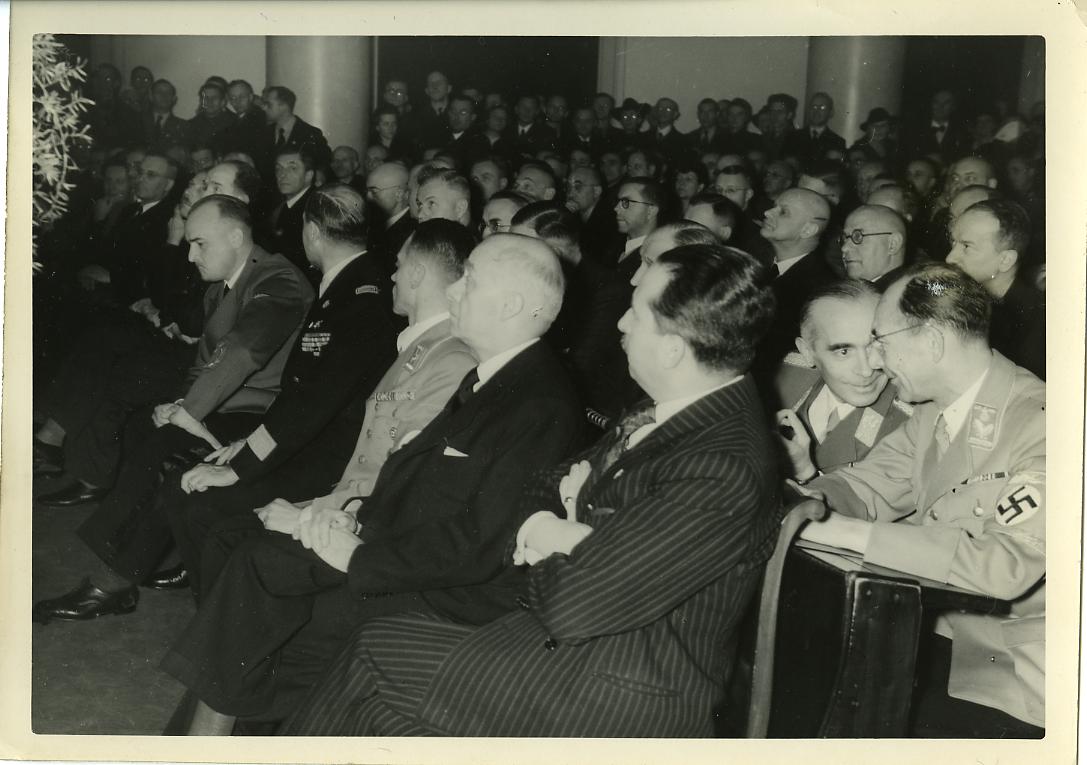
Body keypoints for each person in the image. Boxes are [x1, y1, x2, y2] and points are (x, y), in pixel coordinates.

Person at [283, 243, 781, 738]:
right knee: (377, 699)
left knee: (373, 654)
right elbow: (542, 482)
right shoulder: (674, 409)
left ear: (674, 349)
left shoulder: (720, 465)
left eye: (635, 313)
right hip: (571, 651)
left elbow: (575, 606)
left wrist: (552, 532)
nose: (622, 324)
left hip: (615, 690)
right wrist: (569, 532)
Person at [161, 233, 582, 733]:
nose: (452, 292)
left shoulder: (539, 404)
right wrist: (348, 517)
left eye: (470, 280)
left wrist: (357, 552)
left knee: (262, 588)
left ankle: (208, 738)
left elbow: (480, 544)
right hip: (404, 551)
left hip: (449, 592)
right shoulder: (492, 379)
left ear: (512, 305)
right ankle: (215, 735)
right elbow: (413, 479)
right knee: (258, 579)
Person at [33, 195, 314, 621]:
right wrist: (178, 402)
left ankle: (109, 585)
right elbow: (204, 360)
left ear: (236, 237)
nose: (190, 255)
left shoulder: (279, 280)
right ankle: (127, 571)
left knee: (162, 449)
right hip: (225, 403)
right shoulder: (224, 285)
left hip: (260, 415)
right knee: (151, 431)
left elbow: (241, 351)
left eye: (200, 244)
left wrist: (190, 410)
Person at [797, 262, 1045, 738]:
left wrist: (847, 532)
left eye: (882, 343)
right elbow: (866, 486)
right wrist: (805, 502)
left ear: (931, 342)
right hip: (935, 643)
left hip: (1013, 677)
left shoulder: (1040, 421)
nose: (875, 362)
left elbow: (1004, 566)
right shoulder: (934, 415)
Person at [167, 218, 476, 598]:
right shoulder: (412, 344)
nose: (391, 276)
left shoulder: (441, 354)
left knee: (225, 532)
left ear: (416, 273)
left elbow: (394, 471)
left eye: (398, 265)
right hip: (335, 484)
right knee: (216, 523)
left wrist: (305, 511)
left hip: (348, 500)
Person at [774, 280, 912, 479]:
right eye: (844, 351)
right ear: (807, 352)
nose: (866, 370)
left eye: (876, 345)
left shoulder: (910, 426)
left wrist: (807, 474)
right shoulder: (783, 379)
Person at [947, 199, 1044, 379]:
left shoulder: (1039, 322)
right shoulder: (962, 296)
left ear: (1005, 260)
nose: (950, 258)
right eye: (953, 243)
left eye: (967, 246)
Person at [262, 147, 317, 278]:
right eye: (278, 168)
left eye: (292, 168)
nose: (282, 174)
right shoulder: (280, 206)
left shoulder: (315, 207)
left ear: (309, 175)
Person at [839, 204, 910, 288]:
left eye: (858, 236)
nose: (844, 248)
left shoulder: (902, 296)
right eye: (844, 238)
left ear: (893, 244)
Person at [365, 162, 415, 279]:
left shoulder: (412, 231)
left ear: (399, 194)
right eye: (367, 191)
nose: (368, 197)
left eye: (374, 191)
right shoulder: (374, 223)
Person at [262, 86, 332, 170]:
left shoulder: (310, 134)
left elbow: (324, 166)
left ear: (284, 106)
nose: (264, 108)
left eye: (269, 105)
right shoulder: (263, 132)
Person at [784, 92, 846, 170]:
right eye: (814, 107)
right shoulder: (792, 137)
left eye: (822, 108)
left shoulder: (837, 141)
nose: (816, 111)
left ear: (831, 112)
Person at [142, 79, 190, 150]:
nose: (164, 96)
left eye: (168, 93)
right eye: (159, 92)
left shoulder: (184, 126)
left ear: (174, 99)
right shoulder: (138, 121)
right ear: (151, 97)